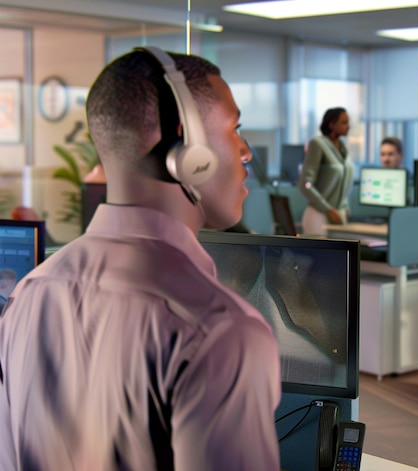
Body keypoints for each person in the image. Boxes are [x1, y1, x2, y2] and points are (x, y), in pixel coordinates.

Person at [0, 48, 281, 470]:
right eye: (235, 128)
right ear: (190, 147)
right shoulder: (221, 332)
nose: (245, 152)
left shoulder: (28, 294)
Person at [298, 107, 354, 234]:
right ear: (332, 124)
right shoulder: (317, 144)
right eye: (344, 122)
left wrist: (344, 204)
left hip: (338, 214)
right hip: (319, 214)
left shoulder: (343, 148)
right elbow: (305, 184)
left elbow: (343, 181)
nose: (348, 126)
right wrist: (328, 209)